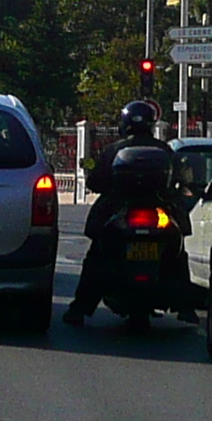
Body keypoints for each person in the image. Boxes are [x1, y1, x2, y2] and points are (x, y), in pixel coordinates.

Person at [64, 100, 177, 326]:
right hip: (157, 209)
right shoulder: (164, 150)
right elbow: (178, 180)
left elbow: (96, 182)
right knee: (175, 251)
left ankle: (80, 308)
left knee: (97, 256)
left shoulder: (113, 150)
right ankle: (184, 305)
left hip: (119, 209)